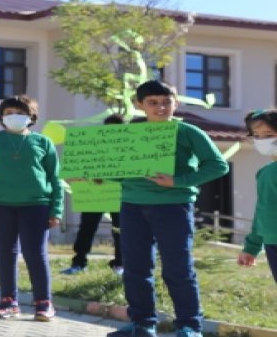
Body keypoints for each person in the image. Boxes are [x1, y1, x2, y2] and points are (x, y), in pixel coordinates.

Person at [107, 80, 229, 337]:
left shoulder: (188, 132)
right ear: (139, 105)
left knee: (178, 268)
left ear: (177, 103)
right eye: (153, 103)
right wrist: (93, 175)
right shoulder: (130, 134)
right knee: (136, 268)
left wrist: (178, 182)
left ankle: (189, 326)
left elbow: (218, 165)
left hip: (174, 207)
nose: (160, 108)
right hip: (132, 206)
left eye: (166, 102)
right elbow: (121, 173)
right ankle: (142, 324)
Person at [0, 95, 63, 322]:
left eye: (19, 112)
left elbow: (55, 178)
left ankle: (44, 303)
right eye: (8, 113)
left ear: (31, 117)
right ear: (1, 117)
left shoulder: (43, 143)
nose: (13, 116)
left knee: (36, 254)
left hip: (36, 205)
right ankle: (8, 302)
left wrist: (57, 209)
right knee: (5, 252)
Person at [61, 114, 124, 276]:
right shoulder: (92, 146)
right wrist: (87, 177)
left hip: (118, 196)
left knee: (120, 230)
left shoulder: (128, 150)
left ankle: (120, 263)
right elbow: (76, 170)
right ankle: (79, 262)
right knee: (86, 229)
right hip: (93, 195)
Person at [237, 109, 277, 284]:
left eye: (268, 134)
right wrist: (251, 247)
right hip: (271, 243)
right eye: (257, 136)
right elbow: (262, 211)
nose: (262, 141)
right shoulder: (265, 172)